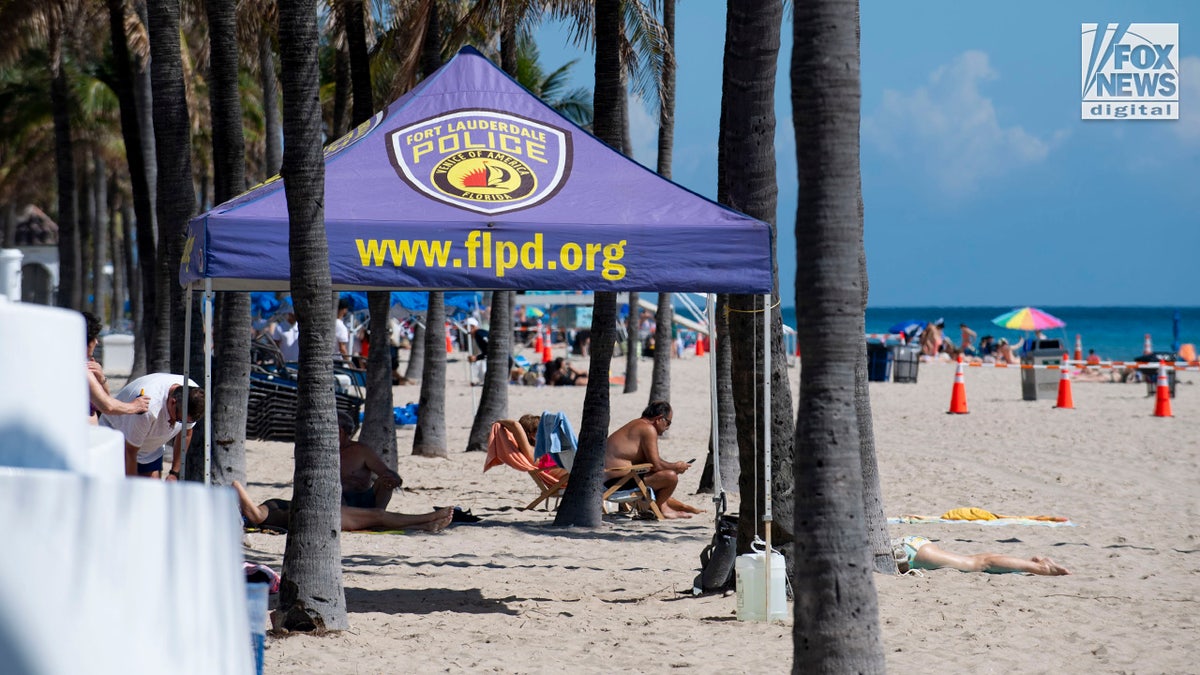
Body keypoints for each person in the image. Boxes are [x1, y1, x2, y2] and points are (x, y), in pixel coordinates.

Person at [231, 481, 453, 533]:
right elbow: (255, 516)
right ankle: (427, 519)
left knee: (377, 517)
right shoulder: (260, 515)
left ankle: (426, 523)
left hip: (318, 510)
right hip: (322, 517)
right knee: (377, 516)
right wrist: (235, 487)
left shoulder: (264, 509)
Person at [100, 374, 205, 478]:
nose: (175, 424)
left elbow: (186, 433)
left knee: (152, 492)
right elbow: (130, 451)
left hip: (149, 449)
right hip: (118, 439)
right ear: (173, 402)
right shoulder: (149, 407)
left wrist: (174, 473)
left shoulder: (193, 397)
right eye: (178, 419)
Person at [604, 401, 694, 519]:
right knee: (670, 476)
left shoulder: (636, 424)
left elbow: (651, 463)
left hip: (607, 479)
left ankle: (663, 507)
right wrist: (676, 467)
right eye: (668, 423)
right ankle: (659, 508)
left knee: (664, 473)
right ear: (659, 419)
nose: (667, 428)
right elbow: (656, 465)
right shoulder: (648, 429)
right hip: (616, 483)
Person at [82, 311, 148, 424]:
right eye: (94, 338)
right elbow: (107, 406)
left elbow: (105, 398)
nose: (97, 342)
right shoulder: (82, 369)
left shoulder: (86, 366)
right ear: (86, 341)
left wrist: (101, 378)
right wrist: (135, 406)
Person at [892, 535, 1070, 575]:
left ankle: (1041, 567)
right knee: (975, 559)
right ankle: (1027, 563)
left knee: (979, 564)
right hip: (911, 547)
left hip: (911, 554)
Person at [338, 412, 403, 510]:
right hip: (337, 502)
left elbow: (385, 471)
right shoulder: (318, 452)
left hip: (363, 499)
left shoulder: (361, 450)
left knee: (385, 480)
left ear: (340, 431)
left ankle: (379, 514)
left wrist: (395, 478)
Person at [335, 298, 351, 363]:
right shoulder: (341, 326)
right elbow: (342, 349)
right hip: (336, 361)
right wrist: (350, 364)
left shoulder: (329, 323)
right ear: (344, 310)